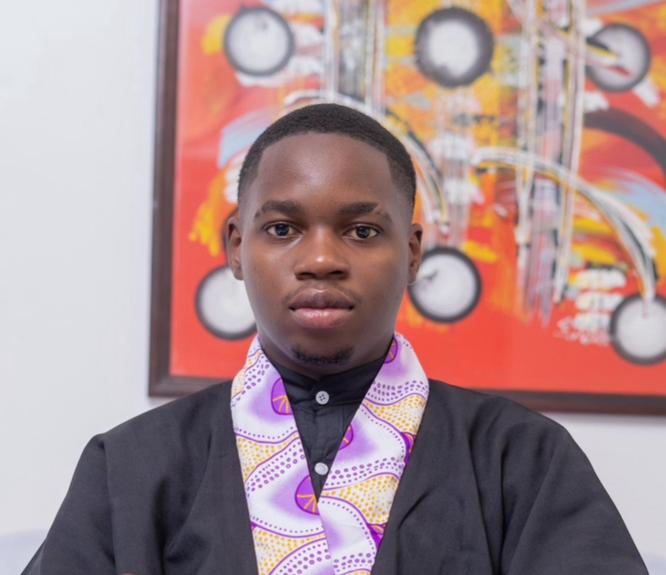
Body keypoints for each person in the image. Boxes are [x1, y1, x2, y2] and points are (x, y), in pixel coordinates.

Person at [24, 103, 647, 574]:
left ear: (412, 252)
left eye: (362, 232)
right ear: (237, 246)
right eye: (283, 228)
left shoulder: (522, 458)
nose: (321, 260)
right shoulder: (130, 466)